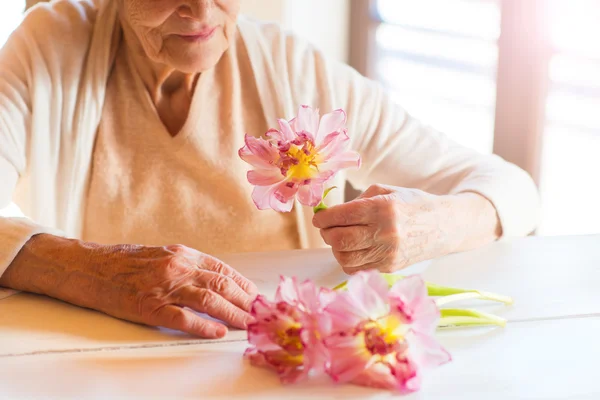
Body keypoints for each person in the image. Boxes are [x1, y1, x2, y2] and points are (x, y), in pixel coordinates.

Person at [0, 0, 540, 338]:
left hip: (273, 362)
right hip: (99, 365)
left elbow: (513, 190)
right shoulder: (50, 46)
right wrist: (94, 270)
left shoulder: (290, 66)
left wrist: (433, 224)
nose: (201, 10)